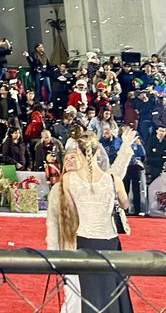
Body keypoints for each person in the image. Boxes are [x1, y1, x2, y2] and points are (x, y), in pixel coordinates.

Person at [46, 131, 136, 313]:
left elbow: (72, 211)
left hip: (84, 241)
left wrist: (125, 150)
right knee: (103, 292)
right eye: (67, 159)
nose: (70, 161)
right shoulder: (110, 180)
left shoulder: (68, 181)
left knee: (91, 294)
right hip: (98, 243)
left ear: (80, 154)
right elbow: (125, 203)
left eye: (74, 156)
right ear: (98, 152)